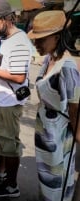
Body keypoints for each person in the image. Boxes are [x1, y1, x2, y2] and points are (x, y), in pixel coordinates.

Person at [0, 1, 32, 198]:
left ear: (8, 19)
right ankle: (1, 171)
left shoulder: (19, 41)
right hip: (1, 100)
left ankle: (11, 186)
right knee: (1, 139)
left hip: (10, 102)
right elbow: (2, 63)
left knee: (10, 144)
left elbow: (19, 76)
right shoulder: (5, 40)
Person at [27, 10, 80, 201]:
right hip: (46, 133)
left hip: (58, 136)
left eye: (41, 39)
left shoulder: (67, 67)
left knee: (57, 183)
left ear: (57, 37)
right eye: (35, 39)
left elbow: (74, 109)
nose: (36, 44)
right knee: (46, 180)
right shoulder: (49, 59)